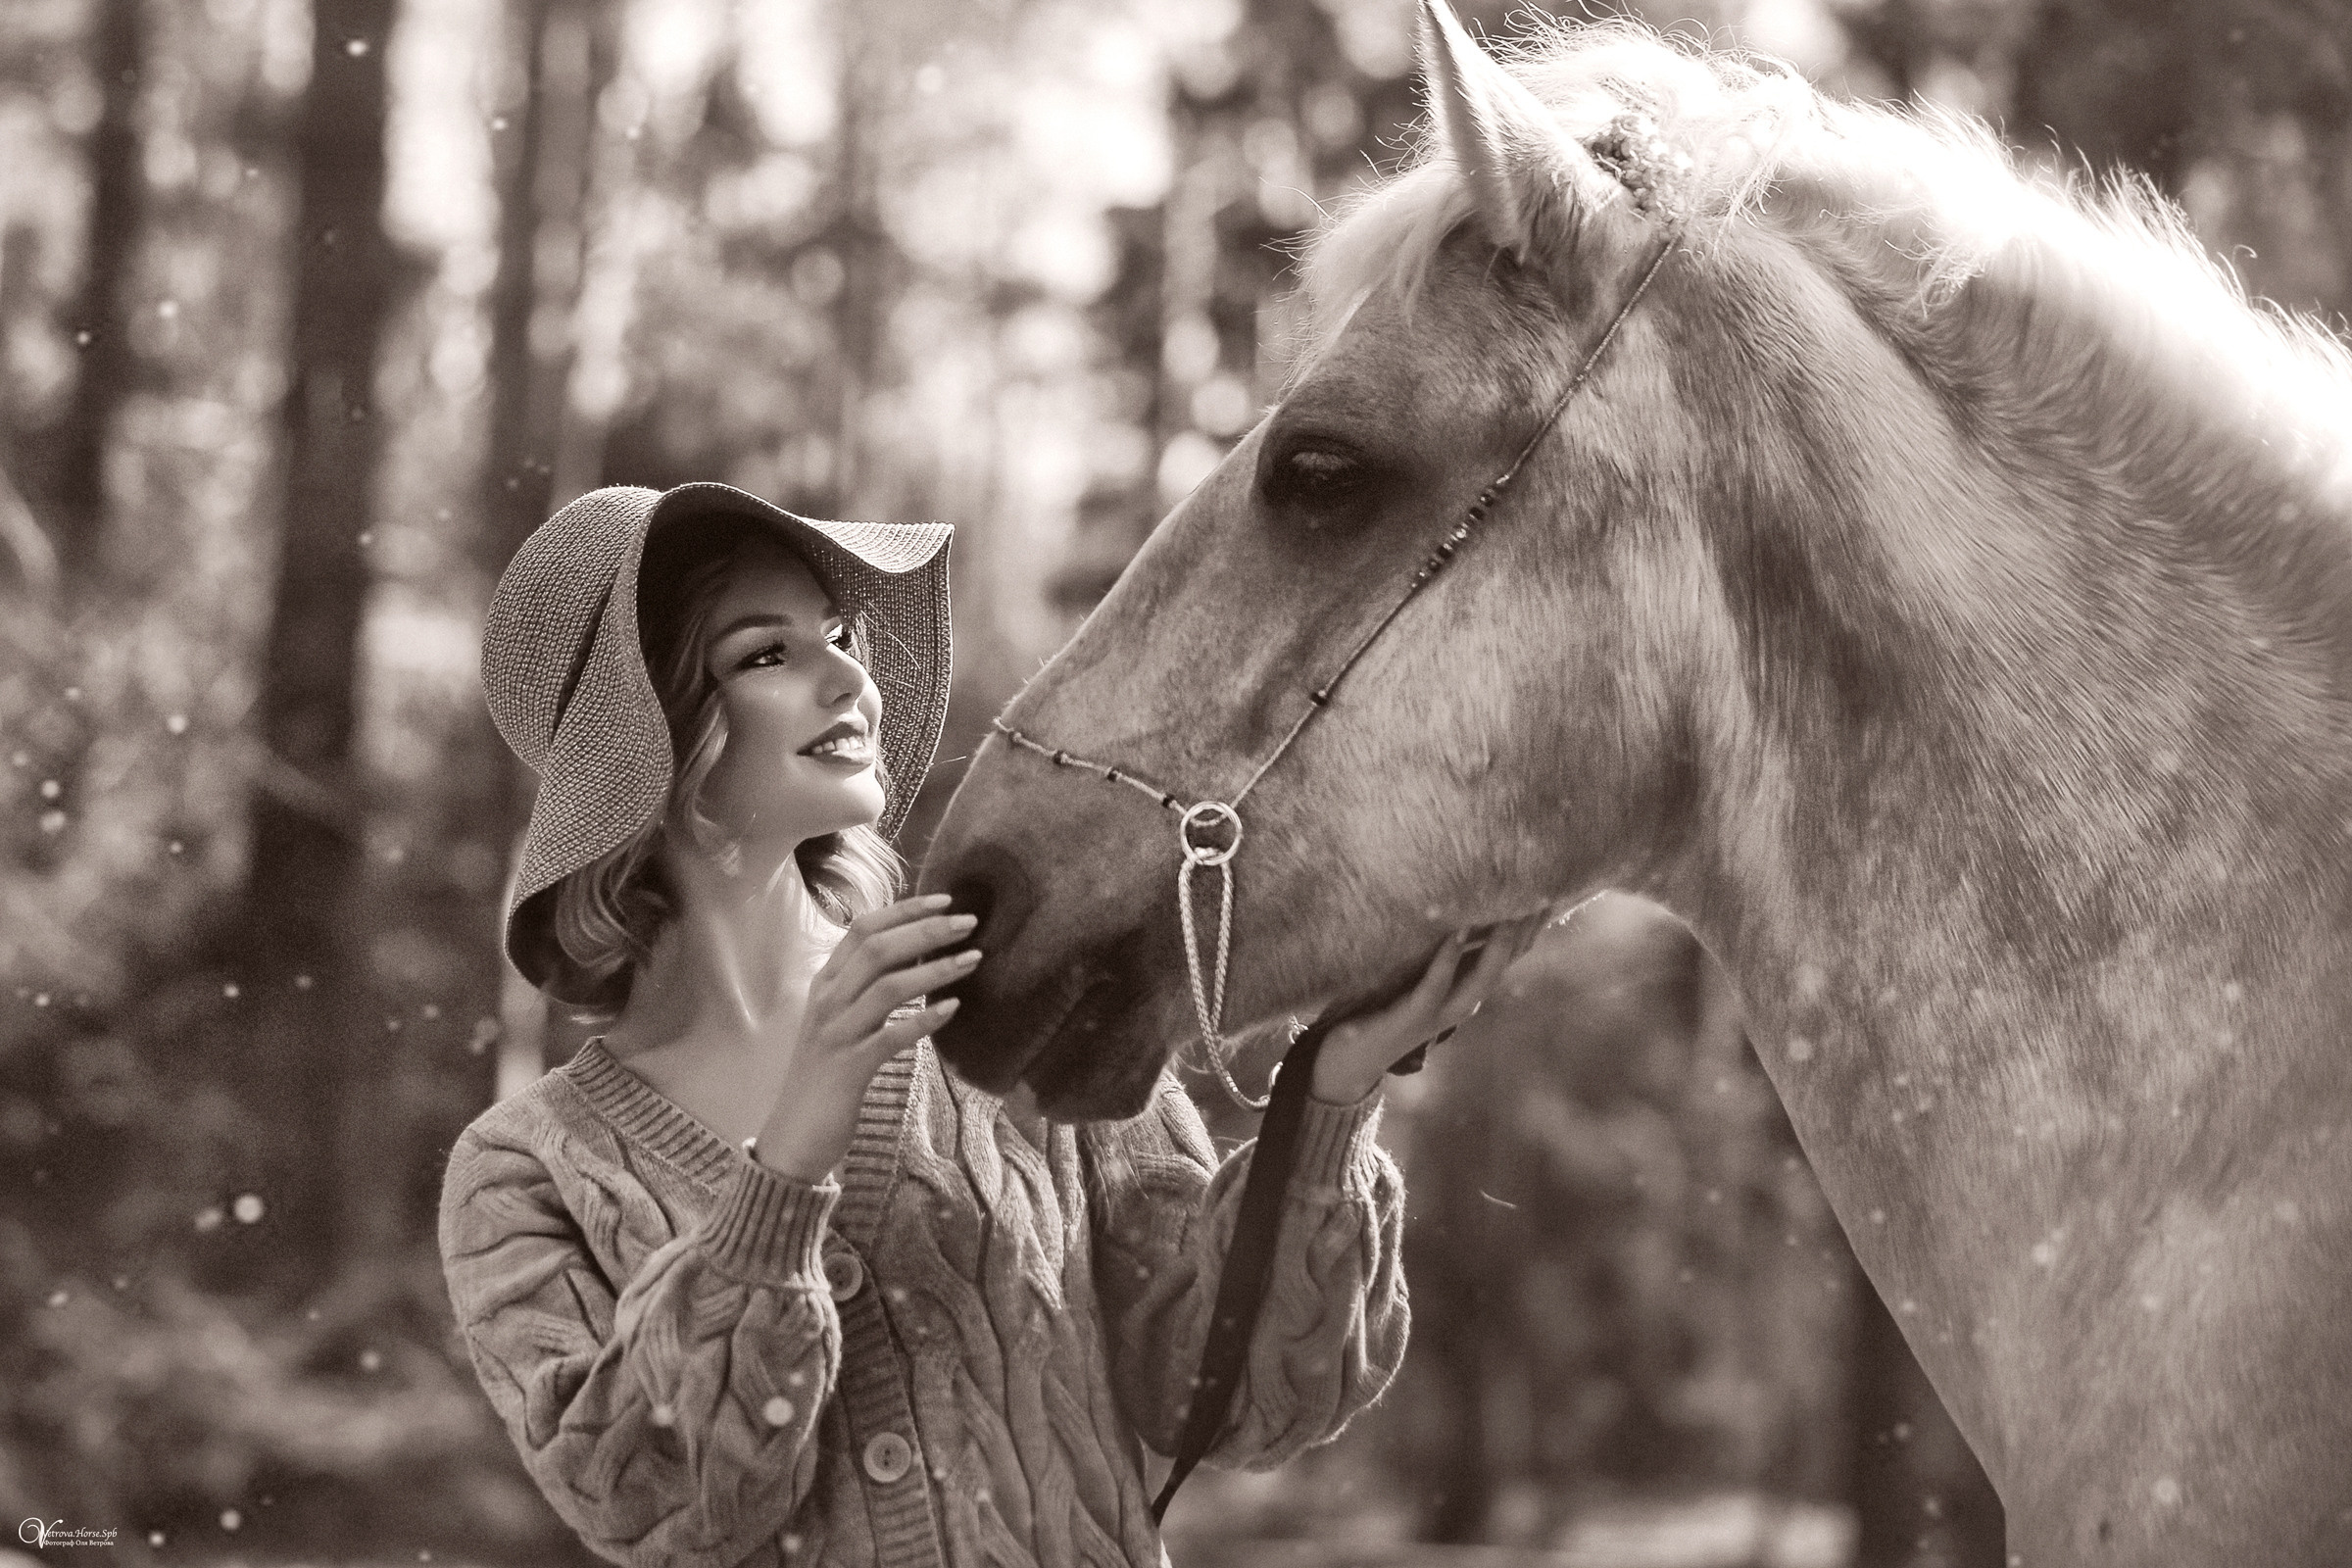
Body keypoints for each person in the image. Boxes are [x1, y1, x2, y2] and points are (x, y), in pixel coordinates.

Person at [438, 482, 1541, 1568]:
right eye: (767, 654)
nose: (851, 678)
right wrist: (790, 1165)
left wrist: (1331, 1099)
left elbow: (1239, 1397)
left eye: (837, 636)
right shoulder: (522, 1170)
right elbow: (659, 1507)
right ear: (653, 748)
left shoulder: (1017, 997)